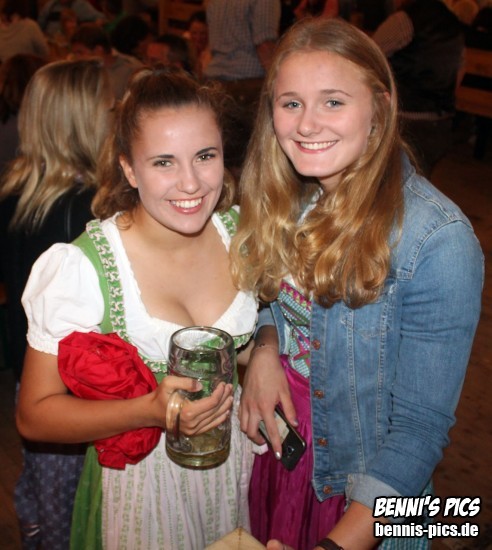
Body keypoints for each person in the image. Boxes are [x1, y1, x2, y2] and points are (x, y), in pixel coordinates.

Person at [230, 17, 483, 550]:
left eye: (333, 101)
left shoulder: (438, 241)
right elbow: (269, 295)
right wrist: (267, 348)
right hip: (283, 452)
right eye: (291, 103)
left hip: (371, 491)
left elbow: (418, 432)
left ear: (380, 109)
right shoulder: (291, 193)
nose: (307, 125)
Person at [16, 67, 258, 550]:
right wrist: (149, 410)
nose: (190, 183)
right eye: (164, 162)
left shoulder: (242, 232)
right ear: (129, 170)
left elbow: (260, 334)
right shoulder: (83, 268)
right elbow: (34, 416)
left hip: (239, 474)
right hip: (144, 492)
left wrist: (265, 353)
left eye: (205, 156)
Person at [0, 58, 114, 550]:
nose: (116, 112)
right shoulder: (85, 209)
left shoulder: (17, 191)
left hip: (32, 373)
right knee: (73, 506)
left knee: (44, 492)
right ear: (84, 120)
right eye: (108, 105)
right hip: (75, 387)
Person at [372, 0, 465, 178]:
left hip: (406, 120)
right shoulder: (453, 23)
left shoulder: (405, 19)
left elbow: (370, 57)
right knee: (415, 181)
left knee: (391, 182)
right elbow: (459, 69)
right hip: (440, 122)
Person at [204, 0, 281, 172]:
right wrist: (278, 80)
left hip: (216, 82)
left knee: (223, 158)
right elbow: (264, 44)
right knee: (252, 161)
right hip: (248, 85)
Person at [70, 22, 142, 99]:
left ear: (98, 50)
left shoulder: (131, 70)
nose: (76, 58)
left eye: (80, 53)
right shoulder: (81, 72)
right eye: (74, 54)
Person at [38, 0, 105, 37]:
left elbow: (101, 18)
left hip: (71, 43)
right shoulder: (50, 5)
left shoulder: (80, 5)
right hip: (51, 43)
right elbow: (39, 26)